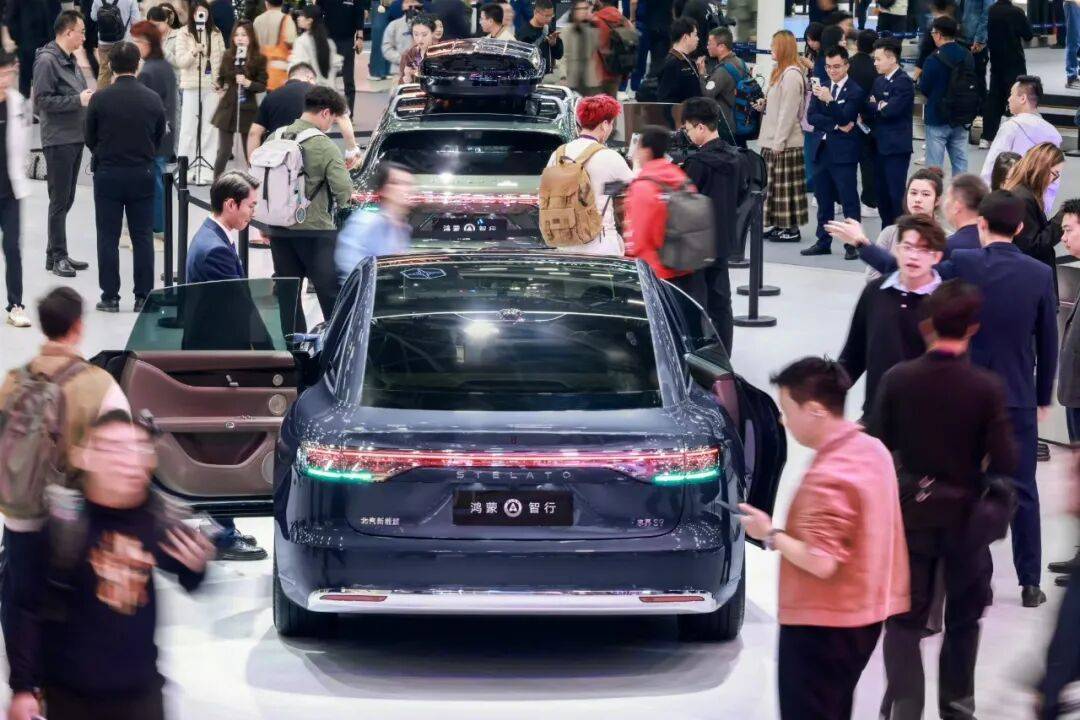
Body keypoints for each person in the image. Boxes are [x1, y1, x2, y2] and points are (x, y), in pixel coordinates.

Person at [855, 190, 1058, 607]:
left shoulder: (964, 263)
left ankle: (969, 574)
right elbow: (1048, 341)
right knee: (1023, 487)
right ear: (1020, 228)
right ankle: (1030, 582)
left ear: (981, 224)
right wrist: (1042, 397)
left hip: (965, 392)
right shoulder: (1040, 274)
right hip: (1017, 393)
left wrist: (864, 245)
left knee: (965, 481)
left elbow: (912, 272)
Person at [4, 411, 214, 720]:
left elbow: (188, 577)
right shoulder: (62, 523)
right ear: (85, 456)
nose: (129, 460)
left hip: (141, 693)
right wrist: (23, 687)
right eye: (114, 448)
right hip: (69, 695)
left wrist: (196, 568)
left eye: (139, 448)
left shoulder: (157, 518)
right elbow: (25, 606)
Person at [870, 279, 1017, 720]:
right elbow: (1006, 459)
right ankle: (956, 708)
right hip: (966, 518)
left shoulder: (899, 379)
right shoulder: (986, 387)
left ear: (927, 324)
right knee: (964, 621)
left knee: (904, 620)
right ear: (973, 328)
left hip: (911, 515)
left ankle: (905, 707)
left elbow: (877, 444)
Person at [739, 357, 909, 720]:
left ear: (815, 410)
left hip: (822, 624)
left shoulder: (831, 475)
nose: (783, 421)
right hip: (864, 615)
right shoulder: (872, 450)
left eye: (788, 410)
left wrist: (769, 533)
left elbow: (820, 560)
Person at [85, 41, 165, 314]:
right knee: (142, 236)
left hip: (108, 172)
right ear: (138, 64)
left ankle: (110, 296)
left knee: (107, 236)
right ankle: (143, 296)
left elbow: (89, 137)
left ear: (110, 65)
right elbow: (158, 136)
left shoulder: (99, 99)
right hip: (142, 172)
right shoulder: (152, 99)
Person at [839, 214, 946, 418]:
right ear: (897, 250)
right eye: (908, 247)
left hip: (927, 420)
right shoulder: (875, 291)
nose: (913, 256)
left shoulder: (945, 303)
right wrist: (822, 393)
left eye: (923, 250)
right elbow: (854, 354)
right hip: (876, 413)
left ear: (937, 257)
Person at [268, 86, 355, 323]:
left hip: (278, 228)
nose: (330, 126)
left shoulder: (275, 137)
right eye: (332, 120)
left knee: (288, 296)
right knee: (329, 293)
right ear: (325, 112)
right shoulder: (324, 145)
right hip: (316, 231)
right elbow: (344, 191)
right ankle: (335, 341)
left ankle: (293, 343)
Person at [33, 10, 94, 280]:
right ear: (68, 32)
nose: (84, 37)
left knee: (67, 198)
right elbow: (41, 101)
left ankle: (54, 253)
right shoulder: (47, 61)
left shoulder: (69, 59)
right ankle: (58, 255)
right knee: (59, 201)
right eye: (81, 31)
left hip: (74, 136)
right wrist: (77, 101)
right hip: (58, 139)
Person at [622, 125, 706, 305]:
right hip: (685, 268)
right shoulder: (681, 178)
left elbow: (639, 237)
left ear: (646, 151)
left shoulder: (643, 186)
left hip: (655, 274)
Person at [681, 97, 737, 353]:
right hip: (723, 239)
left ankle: (698, 356)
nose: (688, 134)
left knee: (694, 303)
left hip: (697, 243)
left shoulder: (697, 164)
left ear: (701, 127)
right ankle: (724, 356)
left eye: (688, 129)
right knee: (722, 303)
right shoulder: (736, 158)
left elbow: (685, 203)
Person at [543, 94, 633, 256]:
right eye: (611, 123)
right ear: (604, 125)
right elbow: (634, 188)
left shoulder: (558, 154)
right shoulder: (609, 156)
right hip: (600, 244)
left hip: (565, 243)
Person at [801, 45, 865, 260]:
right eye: (828, 67)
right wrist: (836, 125)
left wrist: (830, 101)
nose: (832, 71)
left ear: (846, 65)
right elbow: (812, 117)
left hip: (844, 153)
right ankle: (823, 241)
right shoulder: (822, 86)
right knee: (823, 198)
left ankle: (852, 243)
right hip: (821, 149)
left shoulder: (855, 91)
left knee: (848, 199)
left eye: (836, 66)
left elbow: (846, 117)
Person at [245, 62, 361, 168]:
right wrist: (352, 150)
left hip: (277, 163)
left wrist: (253, 166)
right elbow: (343, 118)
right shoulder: (321, 93)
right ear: (310, 77)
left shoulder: (270, 97)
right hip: (311, 161)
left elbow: (254, 133)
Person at [979, 76, 1063, 209]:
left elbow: (992, 165)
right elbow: (1054, 177)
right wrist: (1044, 207)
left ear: (1023, 98)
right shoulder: (1053, 133)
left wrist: (984, 200)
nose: (1008, 99)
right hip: (1036, 204)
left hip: (1007, 201)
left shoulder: (1011, 127)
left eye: (1011, 94)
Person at [758, 30, 809, 244]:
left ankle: (791, 228)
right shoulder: (780, 72)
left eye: (774, 45)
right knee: (776, 188)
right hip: (774, 140)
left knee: (785, 189)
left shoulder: (791, 75)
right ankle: (780, 225)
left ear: (784, 48)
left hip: (785, 143)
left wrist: (779, 142)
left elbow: (788, 113)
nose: (771, 49)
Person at [131, 21, 177, 242]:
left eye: (137, 41)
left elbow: (143, 108)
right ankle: (160, 224)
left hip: (152, 136)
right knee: (159, 179)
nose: (135, 46)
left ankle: (157, 226)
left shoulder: (148, 71)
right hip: (166, 133)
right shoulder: (164, 66)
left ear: (148, 43)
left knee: (155, 182)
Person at [335, 162, 414, 282]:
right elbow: (351, 272)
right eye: (397, 183)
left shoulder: (403, 228)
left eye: (409, 184)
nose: (406, 189)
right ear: (383, 190)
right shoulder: (364, 222)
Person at [174, 0, 225, 186]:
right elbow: (180, 61)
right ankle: (185, 169)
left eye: (204, 12)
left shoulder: (216, 33)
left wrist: (221, 82)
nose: (201, 16)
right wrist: (194, 51)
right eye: (197, 13)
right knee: (188, 127)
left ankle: (206, 170)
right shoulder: (183, 33)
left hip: (211, 86)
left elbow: (222, 59)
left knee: (210, 129)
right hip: (191, 85)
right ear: (192, 14)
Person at [865, 37, 914, 229]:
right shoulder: (878, 81)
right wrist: (879, 105)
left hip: (896, 148)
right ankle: (887, 231)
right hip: (877, 145)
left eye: (878, 59)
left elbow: (892, 110)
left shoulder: (904, 82)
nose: (875, 63)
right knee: (881, 193)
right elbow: (868, 106)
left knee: (896, 194)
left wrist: (877, 106)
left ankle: (901, 232)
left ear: (892, 58)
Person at [211, 21, 267, 178]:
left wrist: (248, 83)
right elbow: (222, 77)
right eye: (237, 35)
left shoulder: (259, 58)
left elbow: (262, 85)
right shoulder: (228, 55)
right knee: (224, 150)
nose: (240, 38)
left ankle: (255, 181)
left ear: (251, 37)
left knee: (250, 151)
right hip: (227, 108)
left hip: (247, 108)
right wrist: (218, 85)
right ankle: (217, 183)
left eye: (244, 35)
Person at [1001, 142, 1065, 276]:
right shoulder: (1023, 198)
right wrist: (1062, 218)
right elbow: (1032, 246)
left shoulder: (1024, 192)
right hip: (1031, 274)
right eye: (1055, 174)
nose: (1054, 180)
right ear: (1041, 168)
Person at [0, 51, 31, 329]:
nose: (4, 79)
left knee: (12, 247)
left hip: (10, 190)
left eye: (7, 73)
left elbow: (23, 144)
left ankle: (16, 304)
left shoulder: (18, 103)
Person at [919, 16, 972, 175]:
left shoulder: (932, 59)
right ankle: (962, 190)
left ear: (938, 34)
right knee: (960, 164)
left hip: (937, 116)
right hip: (962, 115)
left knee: (934, 168)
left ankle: (934, 191)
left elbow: (924, 87)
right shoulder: (967, 55)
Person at [186, 170, 259, 282]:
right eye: (251, 206)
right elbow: (235, 293)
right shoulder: (216, 252)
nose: (254, 214)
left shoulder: (209, 233)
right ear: (231, 205)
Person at [983, 0, 1032, 148]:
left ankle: (987, 136)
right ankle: (1017, 135)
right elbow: (1028, 34)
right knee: (1018, 96)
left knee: (994, 98)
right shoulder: (1017, 12)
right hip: (1015, 60)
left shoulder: (990, 11)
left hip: (996, 60)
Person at [3, 0, 60, 97]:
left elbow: (57, 14)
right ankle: (27, 101)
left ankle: (35, 100)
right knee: (30, 77)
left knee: (41, 76)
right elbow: (11, 18)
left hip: (35, 42)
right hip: (32, 42)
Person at [318, 0, 366, 114]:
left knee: (348, 80)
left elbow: (359, 13)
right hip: (328, 39)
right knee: (327, 79)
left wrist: (360, 38)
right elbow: (318, 11)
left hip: (347, 40)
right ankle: (328, 112)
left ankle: (349, 114)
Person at [702, 28, 745, 146]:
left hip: (727, 127)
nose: (707, 47)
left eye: (710, 43)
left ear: (721, 47)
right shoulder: (740, 62)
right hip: (739, 122)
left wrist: (701, 75)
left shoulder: (723, 70)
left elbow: (707, 95)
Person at [90, 0, 140, 88]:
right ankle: (125, 94)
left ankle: (102, 95)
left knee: (104, 72)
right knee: (126, 72)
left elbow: (93, 17)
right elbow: (135, 21)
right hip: (124, 42)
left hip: (104, 41)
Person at [290, 5, 341, 89]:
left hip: (310, 90)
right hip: (328, 90)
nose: (298, 18)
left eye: (302, 15)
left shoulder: (301, 41)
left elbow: (297, 69)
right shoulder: (329, 42)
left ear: (309, 21)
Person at [252, 0, 296, 90]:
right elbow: (293, 44)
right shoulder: (287, 19)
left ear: (266, 3)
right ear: (282, 3)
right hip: (280, 74)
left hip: (260, 72)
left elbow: (253, 45)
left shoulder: (257, 20)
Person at [941, 172, 989, 254]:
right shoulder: (993, 242)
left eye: (947, 197)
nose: (945, 203)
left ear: (957, 206)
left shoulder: (948, 247)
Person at [590, 0, 631, 97]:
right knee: (611, 102)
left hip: (598, 72)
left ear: (599, 2)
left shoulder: (595, 20)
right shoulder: (624, 20)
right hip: (616, 71)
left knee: (596, 103)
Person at [561, 0, 600, 96]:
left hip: (590, 80)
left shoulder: (593, 30)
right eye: (581, 9)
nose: (584, 11)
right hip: (572, 80)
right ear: (574, 11)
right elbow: (563, 57)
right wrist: (563, 76)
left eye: (586, 8)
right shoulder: (566, 31)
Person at [656, 17, 700, 104]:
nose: (697, 38)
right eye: (695, 35)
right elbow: (665, 100)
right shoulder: (672, 64)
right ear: (685, 37)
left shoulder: (687, 60)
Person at [516, 0, 562, 78]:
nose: (549, 19)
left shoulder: (551, 31)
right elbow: (519, 61)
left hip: (548, 78)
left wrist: (554, 45)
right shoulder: (522, 33)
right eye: (546, 15)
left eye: (551, 15)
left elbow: (559, 55)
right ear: (535, 12)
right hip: (530, 78)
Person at [382, 0, 420, 78]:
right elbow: (386, 49)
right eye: (407, 2)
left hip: (422, 72)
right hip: (399, 72)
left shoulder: (428, 25)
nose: (410, 5)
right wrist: (403, 60)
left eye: (413, 2)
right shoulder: (394, 25)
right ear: (402, 6)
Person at [398, 13, 436, 84]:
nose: (419, 39)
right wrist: (406, 79)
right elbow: (401, 81)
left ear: (433, 33)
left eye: (424, 35)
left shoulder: (439, 53)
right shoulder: (409, 54)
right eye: (416, 34)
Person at [1067, 0, 1080, 88]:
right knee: (1074, 41)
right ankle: (1072, 77)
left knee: (1076, 41)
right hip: (1073, 3)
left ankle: (1073, 76)